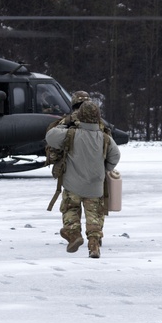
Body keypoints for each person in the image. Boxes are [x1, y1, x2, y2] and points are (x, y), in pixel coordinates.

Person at [45, 101, 121, 258]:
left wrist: (64, 125)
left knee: (70, 209)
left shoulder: (71, 134)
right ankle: (94, 244)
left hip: (72, 185)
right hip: (95, 186)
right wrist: (104, 169)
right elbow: (115, 156)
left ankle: (74, 235)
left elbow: (50, 137)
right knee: (95, 216)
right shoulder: (105, 138)